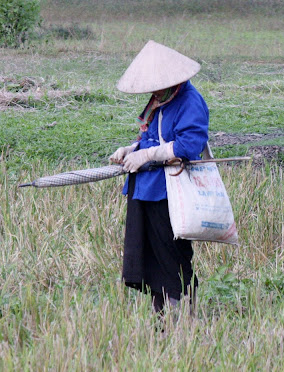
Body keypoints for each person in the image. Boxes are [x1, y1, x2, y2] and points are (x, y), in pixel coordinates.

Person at [109, 40, 209, 314]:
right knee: (149, 256)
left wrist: (147, 156)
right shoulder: (161, 101)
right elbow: (150, 137)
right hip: (145, 190)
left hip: (170, 194)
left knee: (171, 257)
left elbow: (189, 146)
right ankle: (162, 317)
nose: (153, 90)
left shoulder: (189, 101)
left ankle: (181, 316)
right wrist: (132, 149)